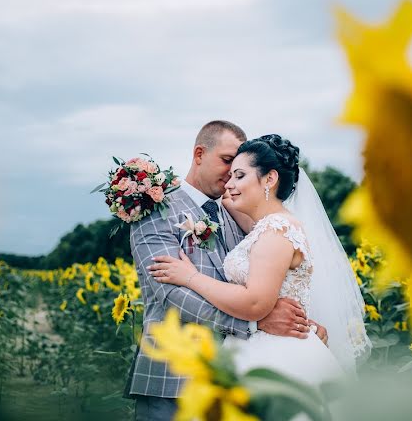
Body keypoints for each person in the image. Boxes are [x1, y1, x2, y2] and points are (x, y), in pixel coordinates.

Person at [126, 122, 326, 421]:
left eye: (238, 169)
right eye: (226, 161)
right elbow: (170, 294)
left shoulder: (235, 211)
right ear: (198, 154)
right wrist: (257, 323)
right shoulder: (156, 208)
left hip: (235, 376)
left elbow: (269, 275)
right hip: (175, 378)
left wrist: (300, 324)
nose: (231, 176)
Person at [149, 134, 370, 393]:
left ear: (270, 178)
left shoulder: (277, 230)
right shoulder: (265, 226)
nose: (228, 185)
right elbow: (225, 200)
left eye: (239, 175)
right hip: (254, 349)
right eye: (230, 175)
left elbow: (255, 303)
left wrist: (190, 277)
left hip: (277, 357)